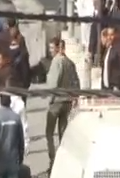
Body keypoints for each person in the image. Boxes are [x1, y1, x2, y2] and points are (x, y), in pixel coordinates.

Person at [45, 37, 80, 170]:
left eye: (52, 48)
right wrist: (74, 97)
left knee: (49, 133)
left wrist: (50, 99)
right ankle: (63, 159)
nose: (50, 51)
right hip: (67, 102)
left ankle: (53, 159)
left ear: (59, 48)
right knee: (62, 133)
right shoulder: (70, 63)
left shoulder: (56, 62)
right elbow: (76, 82)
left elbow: (53, 83)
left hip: (56, 103)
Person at [0, 83, 29, 162]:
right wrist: (24, 149)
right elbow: (23, 129)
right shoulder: (19, 109)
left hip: (0, 155)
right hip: (14, 155)